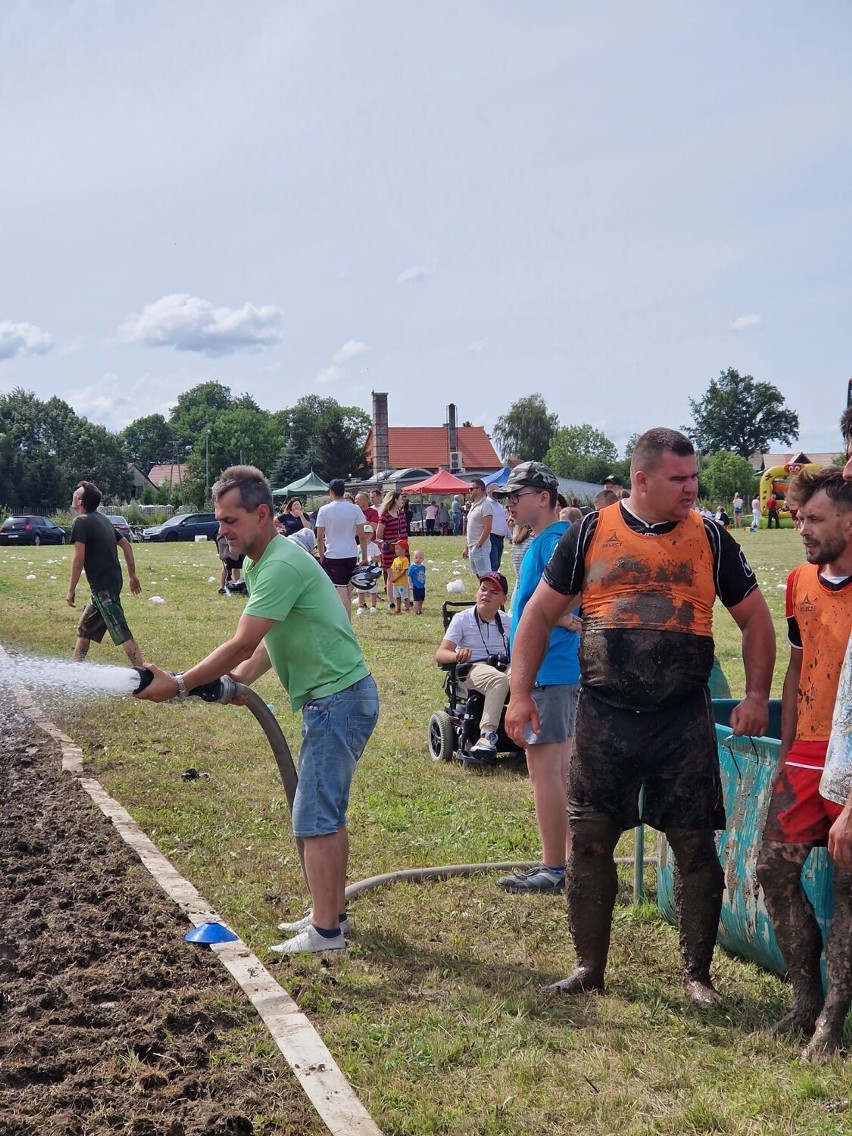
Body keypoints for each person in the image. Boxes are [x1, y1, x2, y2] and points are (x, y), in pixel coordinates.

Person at [506, 427, 775, 1008]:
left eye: (694, 477)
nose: (691, 488)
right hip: (603, 714)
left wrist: (756, 695)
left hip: (682, 718)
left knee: (695, 846)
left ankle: (696, 975)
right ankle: (588, 967)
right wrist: (519, 694)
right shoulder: (589, 533)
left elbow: (756, 619)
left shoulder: (711, 536)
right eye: (679, 478)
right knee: (590, 841)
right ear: (641, 480)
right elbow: (536, 614)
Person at [135, 465, 379, 955]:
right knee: (326, 814)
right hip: (334, 698)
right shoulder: (257, 562)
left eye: (229, 520)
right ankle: (329, 914)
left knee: (314, 817)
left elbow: (243, 639)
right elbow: (269, 638)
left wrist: (181, 683)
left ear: (262, 514)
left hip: (339, 700)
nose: (219, 529)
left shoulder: (279, 564)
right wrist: (241, 680)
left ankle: (326, 935)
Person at [756, 462, 852, 1061]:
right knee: (773, 870)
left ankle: (833, 1024)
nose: (804, 530)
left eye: (815, 519)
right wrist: (787, 752)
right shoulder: (798, 582)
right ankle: (805, 1002)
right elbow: (796, 671)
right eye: (799, 519)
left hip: (851, 761)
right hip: (806, 756)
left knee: (849, 888)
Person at [494, 463, 582, 894]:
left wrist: (564, 616)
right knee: (558, 771)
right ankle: (567, 863)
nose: (510, 504)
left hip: (549, 671)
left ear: (544, 497)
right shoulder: (548, 540)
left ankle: (555, 868)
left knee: (545, 773)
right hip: (556, 670)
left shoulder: (552, 542)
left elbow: (574, 593)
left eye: (517, 495)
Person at [66, 481, 143, 666]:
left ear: (80, 501)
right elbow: (126, 544)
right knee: (85, 629)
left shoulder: (81, 522)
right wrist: (132, 575)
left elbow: (79, 558)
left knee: (120, 630)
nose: (73, 497)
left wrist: (71, 589)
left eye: (75, 495)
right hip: (112, 582)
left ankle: (144, 673)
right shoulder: (102, 519)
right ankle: (74, 669)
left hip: (103, 586)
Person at [436, 572, 512, 758]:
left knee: (523, 677)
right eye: (483, 589)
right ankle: (487, 735)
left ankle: (522, 731)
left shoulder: (509, 621)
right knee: (498, 679)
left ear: (503, 599)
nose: (486, 594)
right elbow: (440, 654)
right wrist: (456, 655)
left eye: (493, 592)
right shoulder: (462, 619)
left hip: (503, 665)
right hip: (472, 669)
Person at [315, 479, 369, 620]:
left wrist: (321, 556)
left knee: (341, 590)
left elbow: (320, 537)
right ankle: (344, 619)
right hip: (351, 553)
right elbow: (362, 536)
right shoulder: (355, 509)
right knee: (346, 589)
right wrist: (364, 556)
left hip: (333, 554)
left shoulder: (324, 510)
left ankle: (346, 622)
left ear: (331, 492)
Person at [375, 491, 408, 609]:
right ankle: (391, 602)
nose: (402, 501)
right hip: (390, 549)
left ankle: (405, 599)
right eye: (400, 499)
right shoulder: (385, 516)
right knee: (391, 575)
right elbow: (379, 534)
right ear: (394, 500)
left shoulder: (401, 514)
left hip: (403, 548)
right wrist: (385, 543)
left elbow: (404, 530)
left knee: (404, 573)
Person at [463, 479, 494, 578]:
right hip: (472, 545)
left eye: (472, 488)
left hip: (480, 546)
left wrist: (479, 544)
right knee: (478, 574)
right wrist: (466, 547)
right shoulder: (474, 505)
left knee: (485, 575)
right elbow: (470, 528)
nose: (469, 491)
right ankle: (483, 591)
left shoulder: (486, 505)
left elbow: (488, 526)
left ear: (480, 489)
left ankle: (488, 592)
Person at [355, 526, 382, 615]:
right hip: (361, 571)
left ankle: (373, 606)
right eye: (364, 533)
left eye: (368, 533)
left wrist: (371, 559)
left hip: (371, 571)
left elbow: (378, 558)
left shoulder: (374, 546)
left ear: (372, 534)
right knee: (360, 589)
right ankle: (361, 606)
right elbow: (356, 558)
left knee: (373, 589)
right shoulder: (358, 547)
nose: (366, 535)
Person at [486, 483, 512, 571]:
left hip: (500, 538)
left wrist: (510, 537)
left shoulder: (500, 507)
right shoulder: (486, 504)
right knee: (493, 564)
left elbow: (503, 523)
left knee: (496, 564)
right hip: (491, 537)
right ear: (489, 491)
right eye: (495, 491)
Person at [389, 539, 411, 614]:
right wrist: (391, 577)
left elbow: (404, 571)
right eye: (395, 548)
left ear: (403, 549)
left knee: (405, 597)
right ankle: (398, 608)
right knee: (397, 596)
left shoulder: (405, 560)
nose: (395, 550)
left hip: (402, 582)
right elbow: (392, 569)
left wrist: (396, 578)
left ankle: (407, 608)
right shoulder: (395, 560)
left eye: (397, 548)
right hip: (395, 583)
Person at [408, 549, 426, 614]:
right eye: (416, 558)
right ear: (413, 558)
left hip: (422, 586)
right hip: (416, 586)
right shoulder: (412, 567)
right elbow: (409, 576)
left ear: (423, 559)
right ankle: (416, 611)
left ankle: (420, 610)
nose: (418, 559)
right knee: (416, 600)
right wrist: (410, 585)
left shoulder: (423, 567)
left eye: (420, 558)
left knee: (421, 600)